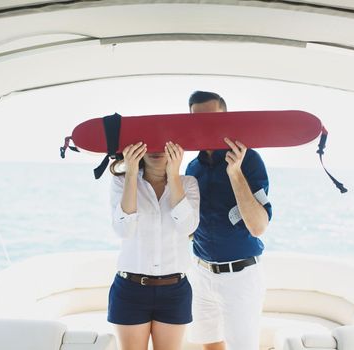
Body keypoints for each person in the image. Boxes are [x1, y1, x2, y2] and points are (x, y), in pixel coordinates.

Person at [186, 91, 272, 350]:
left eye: (213, 119)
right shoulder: (192, 168)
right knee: (210, 344)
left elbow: (258, 226)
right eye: (198, 120)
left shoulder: (250, 161)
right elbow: (190, 224)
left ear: (227, 118)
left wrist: (234, 172)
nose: (206, 127)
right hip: (201, 273)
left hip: (240, 277)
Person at [108, 140, 200, 350]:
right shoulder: (121, 181)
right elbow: (124, 230)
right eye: (150, 143)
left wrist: (174, 176)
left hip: (174, 290)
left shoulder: (188, 183)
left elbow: (187, 227)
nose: (156, 149)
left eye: (163, 144)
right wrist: (131, 174)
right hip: (130, 289)